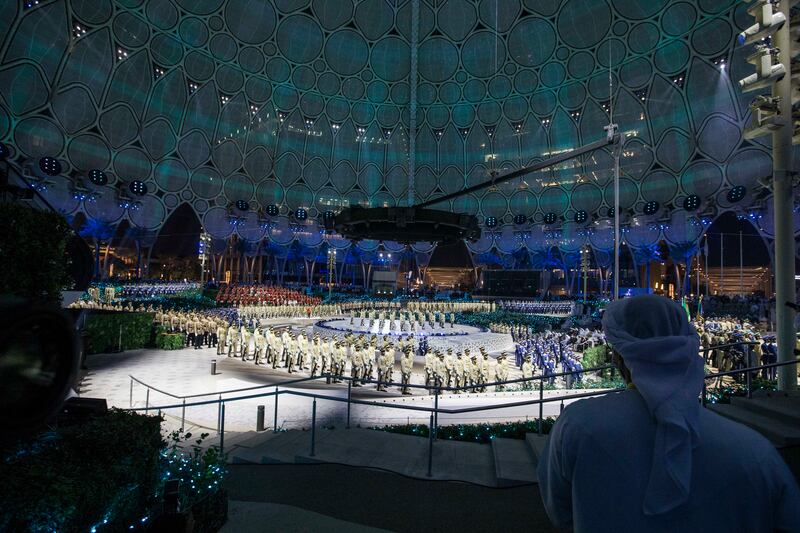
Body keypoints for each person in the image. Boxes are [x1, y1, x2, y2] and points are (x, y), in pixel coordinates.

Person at [537, 295, 800, 532]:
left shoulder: (578, 426)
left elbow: (560, 514)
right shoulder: (756, 453)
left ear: (617, 357)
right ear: (688, 350)